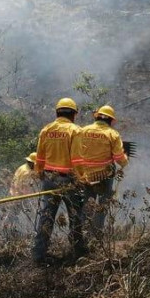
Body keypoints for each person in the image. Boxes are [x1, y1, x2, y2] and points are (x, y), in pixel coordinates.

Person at [31, 97, 84, 264]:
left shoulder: (46, 129)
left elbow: (39, 157)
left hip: (49, 178)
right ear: (74, 114)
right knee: (76, 217)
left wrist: (40, 173)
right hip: (69, 179)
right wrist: (81, 178)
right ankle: (78, 253)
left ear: (57, 113)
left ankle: (38, 256)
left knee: (46, 217)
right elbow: (76, 159)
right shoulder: (75, 131)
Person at [71, 105, 129, 237]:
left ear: (96, 117)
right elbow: (119, 158)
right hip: (104, 176)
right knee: (102, 206)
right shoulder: (112, 134)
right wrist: (126, 160)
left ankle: (84, 234)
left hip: (86, 176)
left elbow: (75, 152)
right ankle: (97, 235)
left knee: (87, 204)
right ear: (111, 120)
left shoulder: (83, 130)